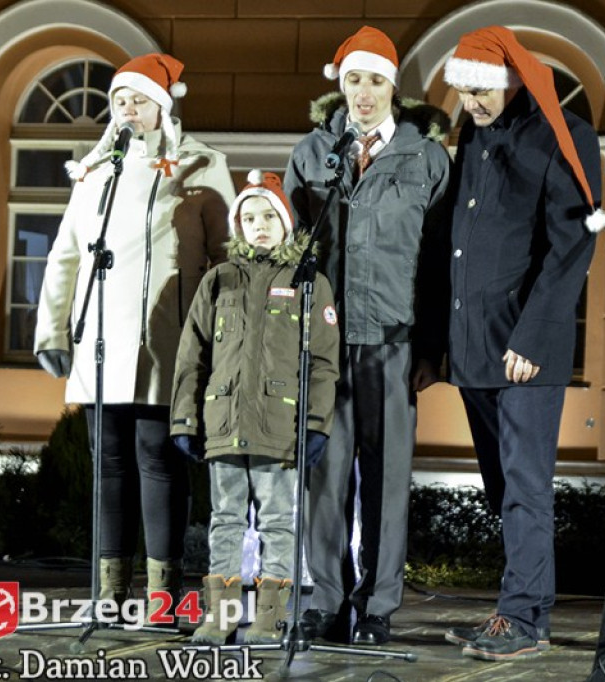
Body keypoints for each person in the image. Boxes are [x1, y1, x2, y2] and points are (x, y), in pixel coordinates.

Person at [34, 53, 235, 615]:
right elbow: (66, 255)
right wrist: (52, 331)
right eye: (119, 100)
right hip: (99, 337)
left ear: (162, 106)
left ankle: (162, 591)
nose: (127, 109)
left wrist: (218, 338)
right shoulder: (95, 172)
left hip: (169, 339)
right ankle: (109, 590)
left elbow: (224, 258)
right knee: (109, 461)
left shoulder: (199, 165)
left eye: (138, 100)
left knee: (158, 456)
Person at [440, 26, 605, 661]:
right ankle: (519, 608)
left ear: (513, 79)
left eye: (481, 91)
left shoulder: (566, 136)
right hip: (475, 345)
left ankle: (523, 619)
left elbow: (573, 244)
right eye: (463, 92)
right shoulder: (476, 135)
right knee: (499, 485)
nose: (472, 103)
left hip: (523, 349)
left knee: (525, 485)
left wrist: (534, 335)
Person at [283, 26, 451, 646]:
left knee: (386, 480)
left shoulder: (426, 158)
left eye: (375, 80)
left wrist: (432, 348)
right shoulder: (312, 152)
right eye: (353, 79)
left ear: (394, 89)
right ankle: (324, 598)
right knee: (324, 478)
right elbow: (290, 249)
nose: (363, 92)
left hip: (395, 340)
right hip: (325, 344)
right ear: (340, 86)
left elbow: (438, 264)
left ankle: (376, 606)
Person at [170, 170, 340, 644]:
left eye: (268, 215)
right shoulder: (218, 280)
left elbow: (324, 362)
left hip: (278, 426)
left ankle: (271, 618)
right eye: (248, 216)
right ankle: (219, 616)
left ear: (286, 221)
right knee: (224, 520)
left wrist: (316, 423)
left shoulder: (309, 283)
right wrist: (184, 417)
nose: (258, 224)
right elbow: (193, 355)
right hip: (223, 424)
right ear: (237, 225)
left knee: (278, 522)